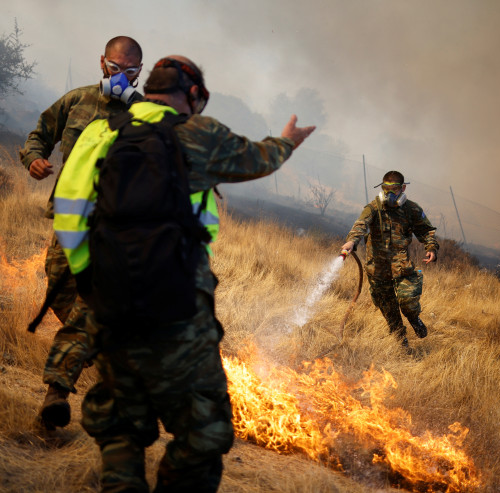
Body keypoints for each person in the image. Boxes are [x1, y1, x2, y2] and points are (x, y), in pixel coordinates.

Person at [53, 55, 314, 492]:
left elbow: (67, 213)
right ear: (193, 94)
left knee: (119, 423)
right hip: (180, 310)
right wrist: (287, 141)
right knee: (203, 430)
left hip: (110, 302)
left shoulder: (101, 130)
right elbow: (258, 159)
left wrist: (91, 283)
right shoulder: (198, 133)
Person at [18, 36, 144, 430]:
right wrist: (34, 159)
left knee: (89, 306)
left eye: (129, 71)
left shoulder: (147, 118)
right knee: (59, 287)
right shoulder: (78, 101)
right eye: (114, 67)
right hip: (69, 218)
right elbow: (39, 134)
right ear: (102, 63)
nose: (120, 77)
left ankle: (55, 394)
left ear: (139, 72)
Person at [341, 171, 439, 348]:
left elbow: (426, 231)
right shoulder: (373, 208)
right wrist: (351, 241)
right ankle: (402, 343)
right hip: (377, 269)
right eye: (386, 189)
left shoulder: (412, 209)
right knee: (389, 310)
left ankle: (414, 318)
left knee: (408, 301)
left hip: (402, 266)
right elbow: (360, 225)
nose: (390, 193)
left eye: (394, 189)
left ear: (403, 188)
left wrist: (431, 247)